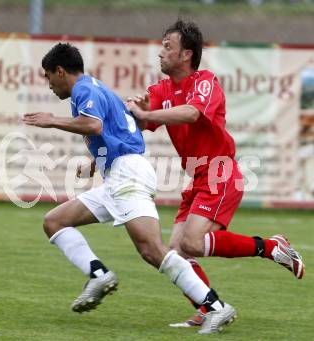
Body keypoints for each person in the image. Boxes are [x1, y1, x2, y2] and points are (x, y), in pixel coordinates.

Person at [23, 42, 236, 334]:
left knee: (152, 250)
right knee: (55, 221)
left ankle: (215, 307)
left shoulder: (85, 90)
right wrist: (95, 163)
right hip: (118, 174)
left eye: (48, 76)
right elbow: (113, 132)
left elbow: (95, 126)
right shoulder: (92, 88)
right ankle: (98, 275)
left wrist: (52, 121)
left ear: (60, 71)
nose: (48, 84)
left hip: (129, 174)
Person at [126, 19, 305, 328]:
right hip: (196, 177)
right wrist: (135, 110)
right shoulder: (160, 89)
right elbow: (142, 122)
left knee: (192, 243)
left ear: (186, 54)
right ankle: (208, 308)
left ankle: (271, 248)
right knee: (175, 254)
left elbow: (193, 112)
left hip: (219, 173)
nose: (160, 53)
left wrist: (147, 113)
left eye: (167, 47)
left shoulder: (204, 81)